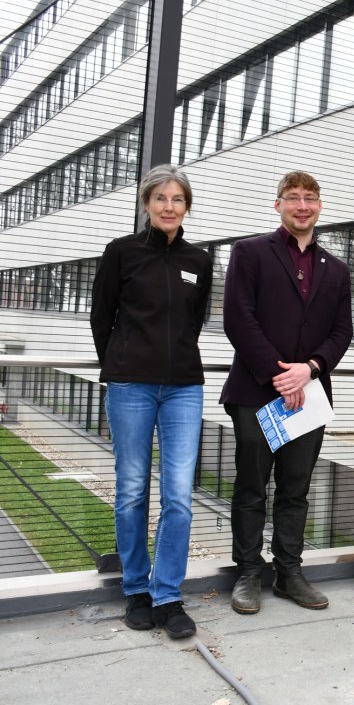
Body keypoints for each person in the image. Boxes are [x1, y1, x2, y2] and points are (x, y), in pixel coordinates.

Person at [221, 171, 353, 615]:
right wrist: (280, 375)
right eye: (293, 198)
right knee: (251, 487)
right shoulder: (250, 252)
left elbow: (341, 331)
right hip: (256, 391)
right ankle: (247, 572)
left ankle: (289, 572)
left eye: (310, 198)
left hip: (310, 394)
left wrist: (308, 370)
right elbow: (238, 318)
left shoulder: (336, 268)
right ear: (277, 204)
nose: (302, 205)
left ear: (320, 206)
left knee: (296, 490)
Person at [90, 164, 212, 639]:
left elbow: (193, 322)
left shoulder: (199, 260)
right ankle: (137, 589)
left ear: (187, 207)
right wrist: (121, 363)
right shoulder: (121, 252)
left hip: (184, 387)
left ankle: (168, 594)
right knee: (132, 490)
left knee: (178, 495)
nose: (168, 207)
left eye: (177, 199)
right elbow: (101, 316)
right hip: (131, 387)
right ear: (146, 204)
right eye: (160, 198)